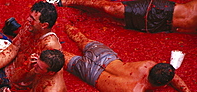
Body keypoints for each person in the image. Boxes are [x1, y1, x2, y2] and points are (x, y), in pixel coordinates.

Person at [63, 24, 193, 92]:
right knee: (59, 57)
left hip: (105, 57)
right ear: (162, 85)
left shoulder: (147, 65)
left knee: (81, 38)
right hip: (92, 74)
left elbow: (168, 73)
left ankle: (63, 22)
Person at [51, 0, 197, 34]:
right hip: (161, 11)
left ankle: (81, 14)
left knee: (113, 22)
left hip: (162, 27)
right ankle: (65, 1)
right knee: (112, 8)